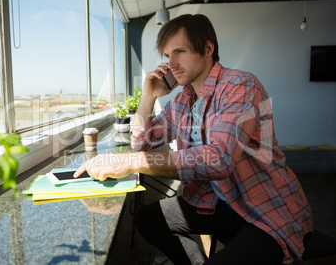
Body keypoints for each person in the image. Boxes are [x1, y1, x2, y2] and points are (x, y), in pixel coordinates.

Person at [74, 14, 313, 264]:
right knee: (148, 219)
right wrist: (148, 97)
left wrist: (130, 162)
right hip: (220, 204)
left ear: (208, 49)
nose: (172, 63)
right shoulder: (182, 100)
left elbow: (218, 160)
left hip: (266, 211)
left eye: (180, 51)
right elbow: (141, 143)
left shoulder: (240, 85)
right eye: (167, 55)